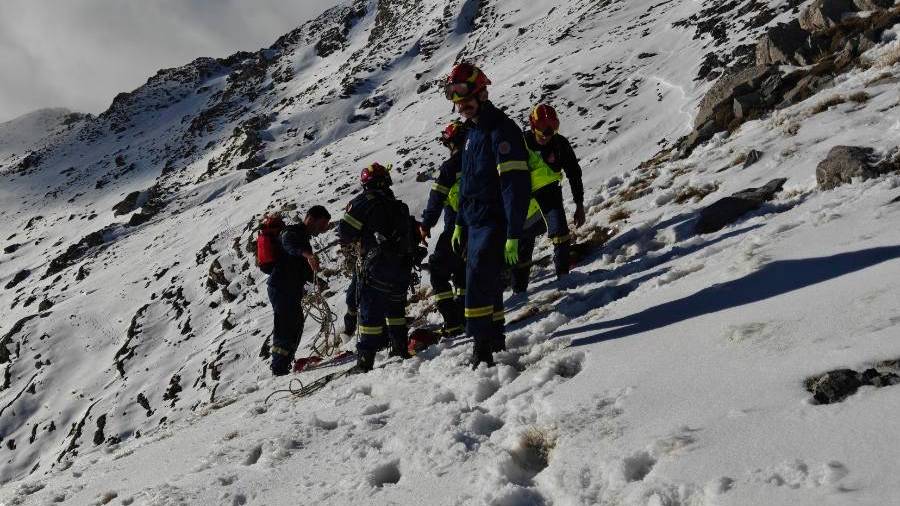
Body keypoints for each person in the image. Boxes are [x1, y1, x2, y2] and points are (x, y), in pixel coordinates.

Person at [444, 62, 531, 368]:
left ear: (481, 91)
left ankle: (481, 349)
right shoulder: (470, 135)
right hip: (473, 222)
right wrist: (458, 223)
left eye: (463, 93)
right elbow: (467, 185)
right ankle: (495, 340)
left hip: (496, 222)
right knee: (488, 283)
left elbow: (515, 186)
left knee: (478, 279)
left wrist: (513, 233)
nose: (459, 102)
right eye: (452, 94)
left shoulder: (501, 130)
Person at [338, 163, 416, 372]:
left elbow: (345, 232)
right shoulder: (399, 206)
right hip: (402, 266)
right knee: (396, 309)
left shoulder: (363, 202)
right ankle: (400, 348)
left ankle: (365, 361)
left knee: (370, 312)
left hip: (378, 265)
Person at [511, 103, 586, 293]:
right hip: (524, 200)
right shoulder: (521, 143)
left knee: (560, 232)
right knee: (523, 247)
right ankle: (519, 292)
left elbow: (574, 174)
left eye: (553, 128)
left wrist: (579, 204)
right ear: (533, 126)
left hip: (550, 193)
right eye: (543, 128)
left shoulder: (560, 144)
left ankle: (563, 277)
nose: (547, 134)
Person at [266, 205, 331, 376]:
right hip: (281, 287)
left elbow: (300, 267)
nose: (323, 230)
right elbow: (290, 246)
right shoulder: (292, 232)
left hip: (289, 287)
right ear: (312, 219)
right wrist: (308, 255)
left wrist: (318, 281)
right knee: (286, 325)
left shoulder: (302, 237)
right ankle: (279, 367)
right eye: (322, 224)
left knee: (294, 323)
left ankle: (283, 363)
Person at [417, 120, 468, 337]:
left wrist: (426, 224)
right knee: (462, 272)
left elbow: (437, 196)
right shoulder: (485, 158)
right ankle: (467, 313)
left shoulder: (451, 166)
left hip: (459, 227)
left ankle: (454, 322)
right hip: (487, 224)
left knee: (438, 269)